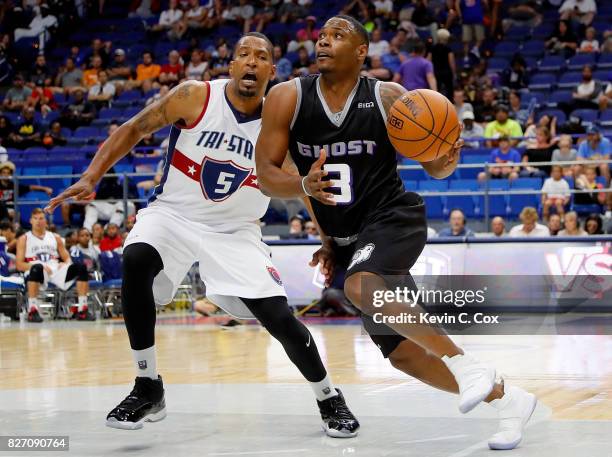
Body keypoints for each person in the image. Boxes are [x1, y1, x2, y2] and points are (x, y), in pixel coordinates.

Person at [46, 32, 358, 436]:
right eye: (243, 54)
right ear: (231, 65)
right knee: (137, 257)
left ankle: (328, 395)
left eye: (261, 57)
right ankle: (147, 384)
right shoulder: (194, 96)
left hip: (236, 231)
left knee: (278, 318)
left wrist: (327, 239)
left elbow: (305, 184)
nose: (251, 62)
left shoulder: (281, 120)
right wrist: (92, 175)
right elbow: (135, 127)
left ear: (271, 70)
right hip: (174, 215)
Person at [255, 15, 536, 450]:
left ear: (363, 51)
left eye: (338, 35)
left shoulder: (388, 97)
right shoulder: (287, 97)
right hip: (348, 239)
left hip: (392, 218)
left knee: (361, 287)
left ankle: (466, 364)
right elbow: (268, 175)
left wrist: (447, 153)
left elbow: (436, 167)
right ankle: (509, 401)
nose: (324, 40)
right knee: (405, 355)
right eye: (322, 35)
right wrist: (321, 225)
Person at [16, 208, 93, 323]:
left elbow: (67, 258)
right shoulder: (24, 238)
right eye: (35, 218)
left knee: (81, 267)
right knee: (37, 268)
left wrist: (65, 263)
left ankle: (82, 309)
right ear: (30, 220)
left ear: (45, 221)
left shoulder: (55, 237)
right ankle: (32, 310)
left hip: (55, 270)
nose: (38, 221)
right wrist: (37, 265)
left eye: (41, 218)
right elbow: (19, 264)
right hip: (36, 271)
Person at [430, 28, 455, 99]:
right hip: (447, 72)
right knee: (449, 91)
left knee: (437, 91)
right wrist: (453, 73)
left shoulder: (433, 48)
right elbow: (451, 62)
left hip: (436, 72)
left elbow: (428, 60)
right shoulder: (448, 49)